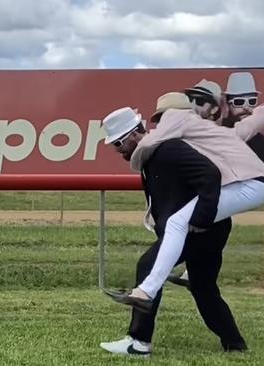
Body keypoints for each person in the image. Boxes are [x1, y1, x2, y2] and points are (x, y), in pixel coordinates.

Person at [100, 102, 247, 355]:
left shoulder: (166, 150)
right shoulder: (153, 153)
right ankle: (234, 344)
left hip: (199, 229)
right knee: (204, 288)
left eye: (118, 144)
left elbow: (210, 175)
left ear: (135, 133)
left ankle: (139, 342)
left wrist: (200, 220)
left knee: (147, 267)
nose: (118, 150)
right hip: (211, 228)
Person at [116, 91, 264, 309]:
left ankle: (147, 291)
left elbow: (149, 144)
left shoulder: (175, 117)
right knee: (185, 225)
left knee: (178, 222)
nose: (159, 124)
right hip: (253, 183)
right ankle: (174, 279)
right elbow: (247, 127)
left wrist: (136, 159)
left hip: (251, 184)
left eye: (159, 118)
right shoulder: (203, 130)